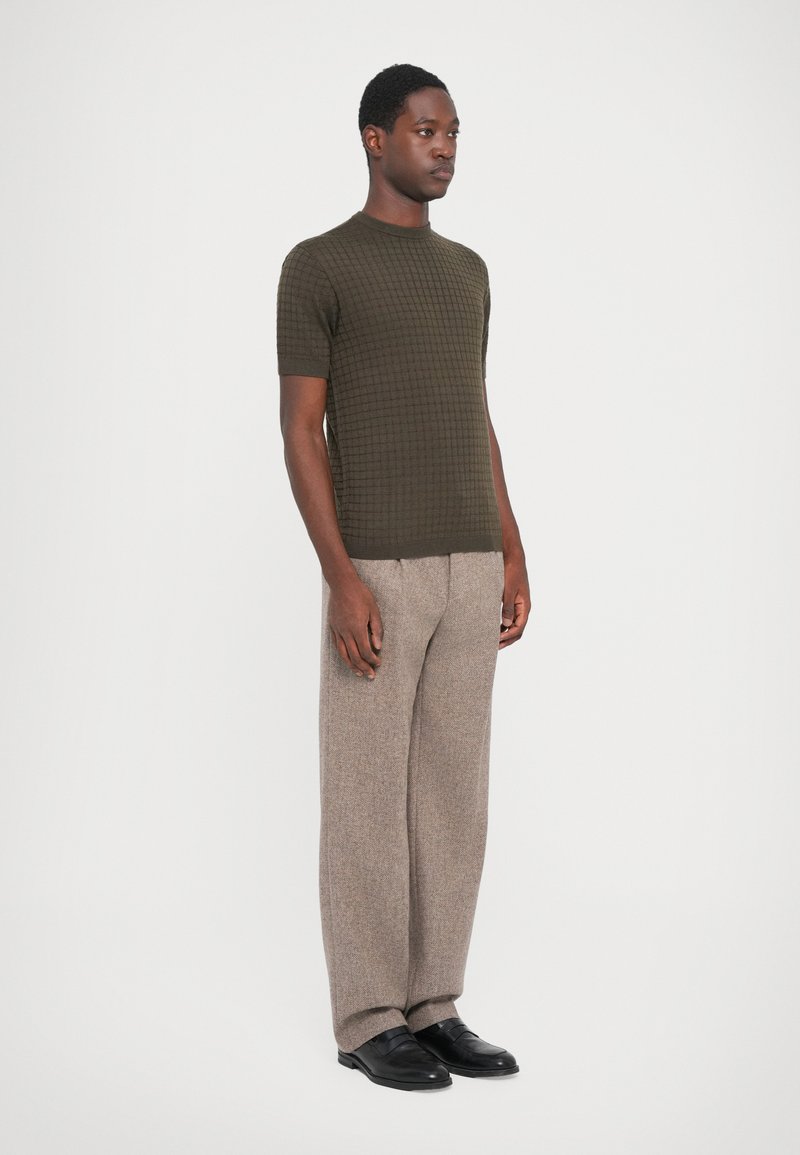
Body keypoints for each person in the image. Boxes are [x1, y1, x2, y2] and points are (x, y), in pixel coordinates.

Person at [276, 62, 531, 1092]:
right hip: (377, 566)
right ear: (374, 138)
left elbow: (474, 411)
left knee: (453, 796)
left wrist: (511, 546)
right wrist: (340, 576)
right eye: (426, 130)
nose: (445, 148)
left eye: (453, 132)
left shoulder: (467, 271)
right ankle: (367, 1015)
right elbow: (301, 429)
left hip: (470, 562)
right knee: (366, 798)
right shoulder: (318, 265)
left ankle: (433, 1003)